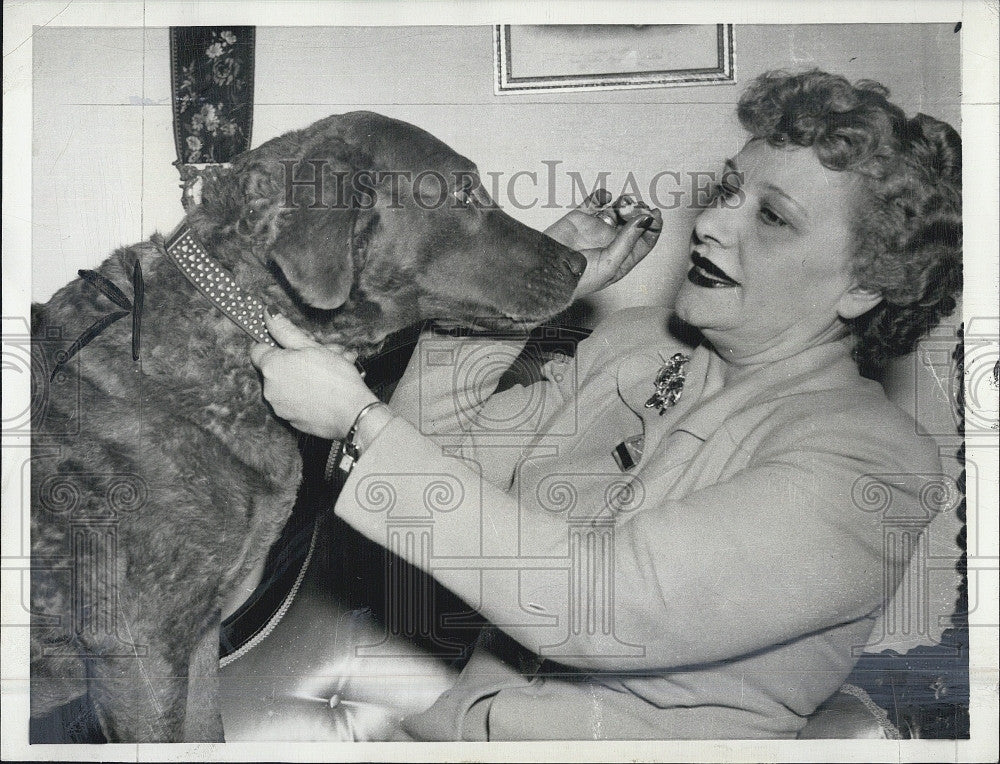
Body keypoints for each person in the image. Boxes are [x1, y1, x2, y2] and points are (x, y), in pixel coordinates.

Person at [249, 69, 962, 740]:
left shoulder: (876, 460)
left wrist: (357, 422)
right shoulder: (639, 345)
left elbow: (598, 607)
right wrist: (519, 292)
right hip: (450, 731)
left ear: (866, 285)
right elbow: (444, 468)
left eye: (772, 218)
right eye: (728, 191)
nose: (713, 225)